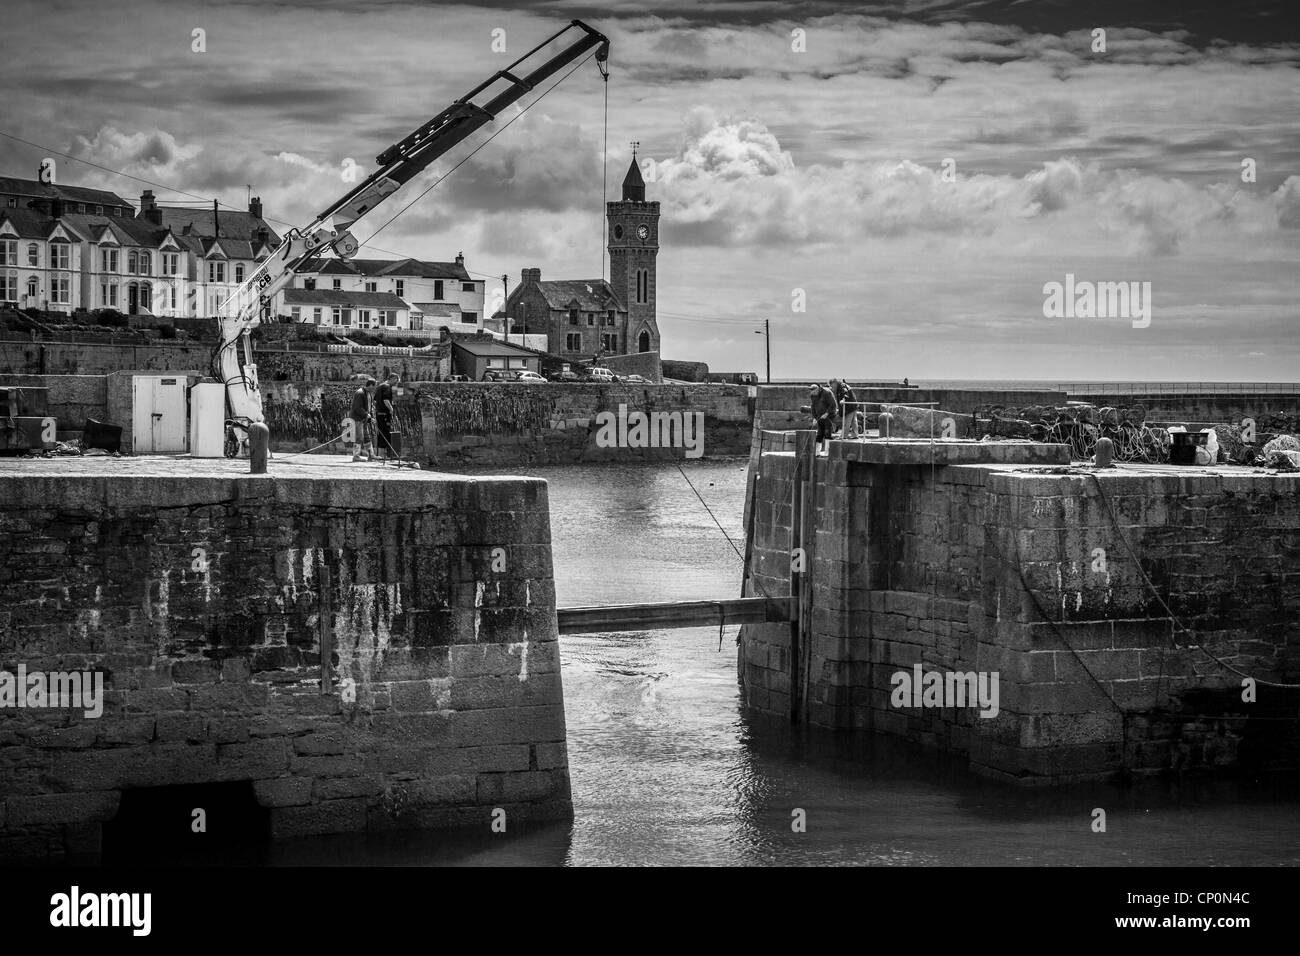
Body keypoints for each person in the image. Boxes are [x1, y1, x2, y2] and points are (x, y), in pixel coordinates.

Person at [800, 382, 837, 454]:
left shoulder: (827, 392)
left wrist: (827, 413)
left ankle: (827, 452)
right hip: (819, 416)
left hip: (829, 416)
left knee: (827, 432)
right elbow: (813, 406)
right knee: (819, 434)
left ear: (818, 389)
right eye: (811, 391)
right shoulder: (813, 395)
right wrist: (814, 417)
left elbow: (833, 405)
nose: (812, 392)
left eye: (813, 390)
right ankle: (817, 452)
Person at [350, 376, 377, 462]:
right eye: (374, 386)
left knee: (366, 437)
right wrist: (366, 414)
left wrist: (370, 417)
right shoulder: (360, 393)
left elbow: (369, 407)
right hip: (357, 418)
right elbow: (358, 408)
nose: (375, 388)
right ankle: (356, 456)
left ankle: (371, 455)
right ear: (370, 385)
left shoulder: (368, 394)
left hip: (363, 419)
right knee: (359, 437)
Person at [374, 372, 399, 460]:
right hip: (384, 414)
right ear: (392, 378)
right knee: (385, 433)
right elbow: (386, 400)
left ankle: (381, 454)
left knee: (381, 433)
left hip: (379, 413)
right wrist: (391, 410)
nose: (396, 382)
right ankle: (383, 455)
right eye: (396, 380)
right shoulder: (387, 386)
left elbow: (375, 400)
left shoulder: (380, 386)